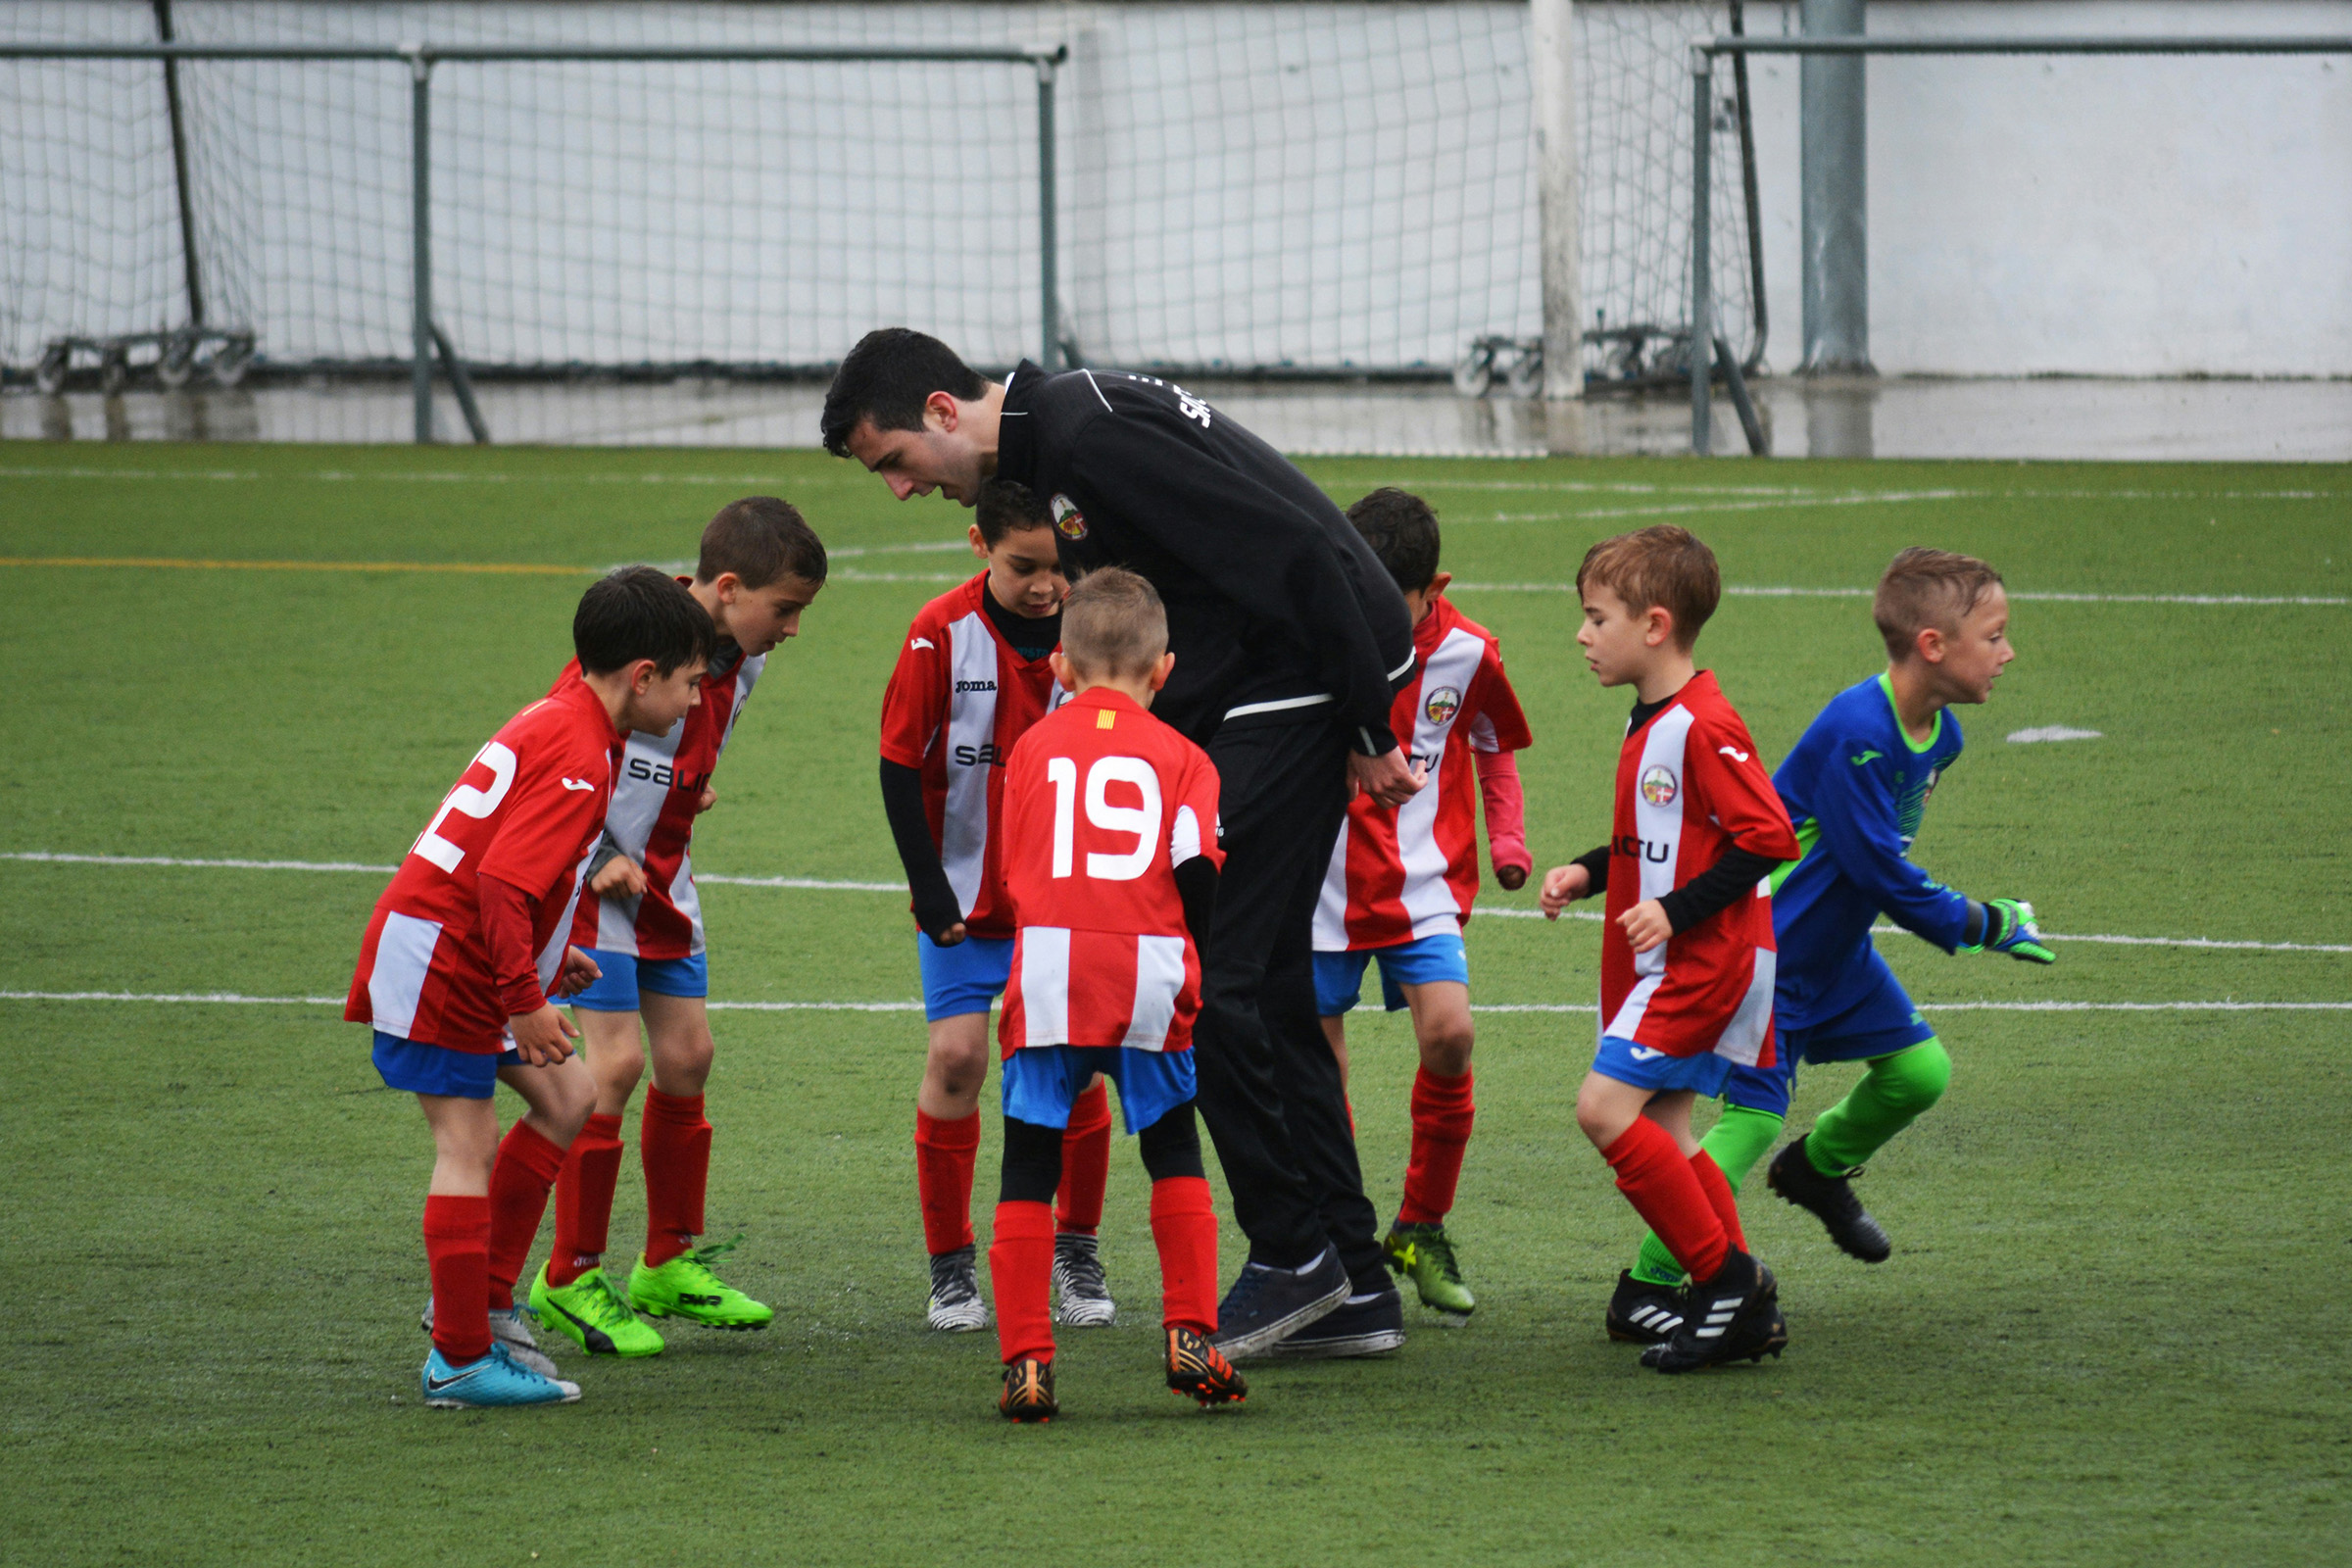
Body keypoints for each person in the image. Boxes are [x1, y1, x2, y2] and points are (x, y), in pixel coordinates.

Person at [822, 329, 1420, 1360]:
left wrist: (1368, 723)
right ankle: (1353, 1281)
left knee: (1207, 978)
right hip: (1288, 677)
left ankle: (1294, 1253)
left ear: (940, 412)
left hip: (1310, 676)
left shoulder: (1086, 438)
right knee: (1273, 986)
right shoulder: (1061, 436)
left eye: (895, 462)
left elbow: (1296, 546)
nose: (903, 489)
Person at [1610, 548, 2052, 1336]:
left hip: (1839, 954)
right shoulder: (1860, 731)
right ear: (1932, 646)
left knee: (1919, 1073)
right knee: (1748, 1125)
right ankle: (1648, 1281)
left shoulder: (1941, 737)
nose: (2008, 652)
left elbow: (1871, 873)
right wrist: (1983, 922)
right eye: (1995, 636)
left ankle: (1816, 1170)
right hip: (1772, 957)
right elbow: (1878, 869)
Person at [347, 566, 714, 1408]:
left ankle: (486, 1303)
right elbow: (501, 885)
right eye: (692, 683)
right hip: (447, 961)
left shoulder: (570, 719)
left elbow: (517, 867)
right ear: (644, 677)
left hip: (465, 952)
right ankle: (459, 1359)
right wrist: (525, 998)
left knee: (569, 1095)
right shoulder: (583, 754)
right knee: (466, 1145)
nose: (697, 702)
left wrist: (552, 961)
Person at [518, 499, 826, 1359]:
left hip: (664, 880)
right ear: (727, 589)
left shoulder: (742, 661)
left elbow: (681, 750)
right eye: (784, 609)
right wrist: (598, 853)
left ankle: (667, 1261)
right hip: (598, 884)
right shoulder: (640, 636)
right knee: (613, 1066)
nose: (793, 629)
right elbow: (562, 744)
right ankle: (568, 1274)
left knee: (688, 1058)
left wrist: (687, 789)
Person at [1538, 525, 1801, 1374]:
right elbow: (1663, 835)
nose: (1582, 635)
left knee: (1603, 1109)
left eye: (1596, 618)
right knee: (1668, 1130)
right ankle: (1745, 1305)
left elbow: (1768, 837)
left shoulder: (1702, 723)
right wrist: (1590, 871)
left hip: (1699, 962)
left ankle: (1725, 1282)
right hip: (1671, 957)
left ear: (1655, 626)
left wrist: (1675, 911)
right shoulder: (1654, 717)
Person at [987, 568, 1246, 1421]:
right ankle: (1190, 1335)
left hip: (1050, 970)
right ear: (1164, 670)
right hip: (1147, 971)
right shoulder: (1185, 756)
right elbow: (1197, 869)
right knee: (1172, 1148)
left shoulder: (1033, 749)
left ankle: (1027, 1362)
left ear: (1060, 667)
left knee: (1030, 1162)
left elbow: (1014, 870)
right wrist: (1192, 955)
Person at [877, 478, 1119, 1334]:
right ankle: (950, 1268)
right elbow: (898, 764)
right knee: (955, 1060)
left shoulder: (1094, 636)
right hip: (962, 899)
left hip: (1063, 901)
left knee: (1074, 1068)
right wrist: (928, 883)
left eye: (1059, 567)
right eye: (1025, 567)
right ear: (980, 547)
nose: (1047, 586)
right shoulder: (938, 633)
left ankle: (1076, 1250)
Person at [1311, 488, 1532, 1326]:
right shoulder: (1313, 637)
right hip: (1319, 887)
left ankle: (1421, 1226)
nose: (1367, 616)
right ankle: (1337, 1239)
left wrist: (1507, 838)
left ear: (1433, 588)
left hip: (1422, 885)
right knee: (1318, 1071)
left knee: (1451, 1034)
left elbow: (1493, 744)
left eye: (1386, 601)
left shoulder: (1470, 652)